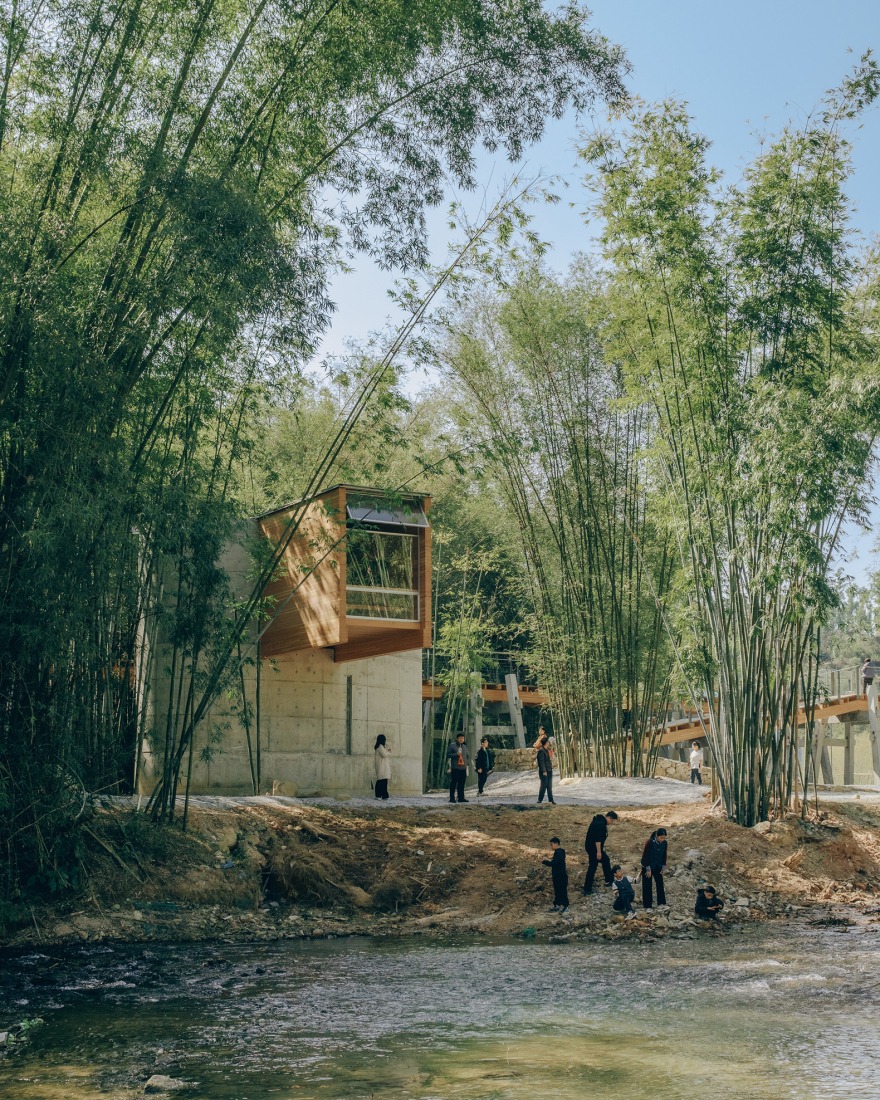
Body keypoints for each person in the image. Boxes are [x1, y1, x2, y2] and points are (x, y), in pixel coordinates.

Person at [582, 810, 618, 894]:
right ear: (609, 818)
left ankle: (608, 880)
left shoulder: (600, 821)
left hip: (591, 847)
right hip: (593, 849)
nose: (612, 822)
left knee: (605, 860)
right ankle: (587, 889)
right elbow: (597, 839)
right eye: (612, 820)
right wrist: (599, 852)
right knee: (593, 866)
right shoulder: (600, 824)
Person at [640, 827, 668, 910]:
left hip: (657, 865)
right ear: (657, 836)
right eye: (661, 837)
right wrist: (648, 869)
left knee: (660, 883)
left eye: (664, 838)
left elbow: (664, 855)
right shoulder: (650, 842)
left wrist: (663, 866)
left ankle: (661, 903)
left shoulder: (665, 843)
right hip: (647, 865)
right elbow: (645, 856)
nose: (662, 839)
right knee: (647, 885)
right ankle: (648, 906)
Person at [542, 836, 569, 913]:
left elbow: (554, 863)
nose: (551, 846)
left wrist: (545, 861)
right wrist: (549, 860)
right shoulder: (561, 852)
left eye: (551, 844)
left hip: (560, 875)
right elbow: (557, 862)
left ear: (556, 844)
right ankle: (557, 904)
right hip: (560, 875)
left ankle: (565, 906)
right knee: (558, 890)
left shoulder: (558, 852)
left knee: (562, 891)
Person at [447, 732, 471, 804]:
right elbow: (448, 754)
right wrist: (456, 754)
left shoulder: (464, 746)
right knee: (454, 783)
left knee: (462, 783)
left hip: (463, 768)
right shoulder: (452, 745)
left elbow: (467, 756)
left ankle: (461, 797)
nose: (461, 739)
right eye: (460, 738)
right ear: (457, 739)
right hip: (455, 768)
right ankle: (452, 798)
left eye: (462, 738)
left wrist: (467, 764)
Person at [536, 735, 555, 804]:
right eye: (547, 742)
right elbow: (541, 762)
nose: (548, 743)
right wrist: (544, 771)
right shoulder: (541, 751)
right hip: (544, 771)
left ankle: (551, 800)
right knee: (543, 786)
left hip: (549, 770)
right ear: (546, 743)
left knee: (549, 786)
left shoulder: (546, 750)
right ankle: (539, 800)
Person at [373, 734, 391, 800]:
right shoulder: (380, 747)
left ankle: (384, 795)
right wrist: (389, 752)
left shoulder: (381, 747)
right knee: (381, 781)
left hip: (382, 767)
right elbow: (384, 755)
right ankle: (379, 795)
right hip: (382, 767)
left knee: (383, 781)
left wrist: (387, 751)